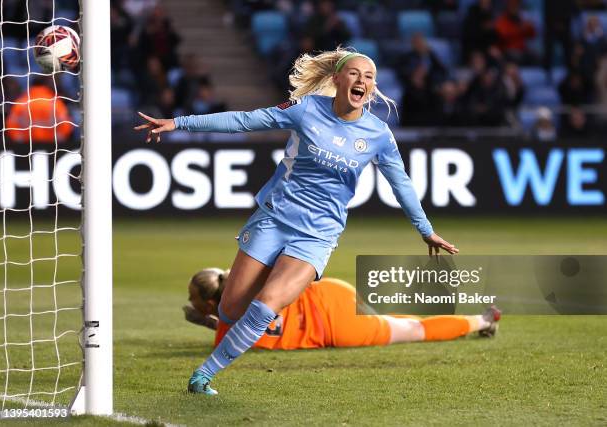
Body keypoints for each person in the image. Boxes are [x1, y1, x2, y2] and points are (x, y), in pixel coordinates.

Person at [134, 48, 458, 396]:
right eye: (353, 73)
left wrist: (426, 230)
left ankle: (203, 377)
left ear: (374, 87)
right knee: (230, 306)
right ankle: (251, 327)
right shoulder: (306, 110)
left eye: (368, 77)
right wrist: (179, 123)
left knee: (267, 303)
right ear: (336, 79)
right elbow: (245, 120)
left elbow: (401, 183)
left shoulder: (378, 134)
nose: (361, 81)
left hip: (317, 234)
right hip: (275, 217)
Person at [184, 268, 501, 350]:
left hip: (334, 326)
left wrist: (204, 321)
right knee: (393, 320)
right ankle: (475, 317)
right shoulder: (253, 274)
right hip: (331, 293)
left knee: (413, 332)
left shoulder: (225, 334)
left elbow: (236, 334)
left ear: (211, 305)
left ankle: (482, 320)